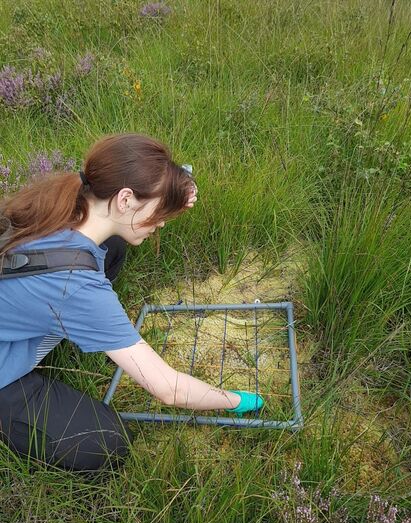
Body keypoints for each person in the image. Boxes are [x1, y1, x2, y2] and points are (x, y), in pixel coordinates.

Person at [0, 133, 264, 473]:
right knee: (106, 443)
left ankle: (50, 331)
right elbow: (168, 389)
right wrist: (236, 401)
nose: (163, 222)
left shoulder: (69, 199)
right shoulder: (76, 287)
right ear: (125, 198)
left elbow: (141, 189)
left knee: (113, 246)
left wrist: (176, 184)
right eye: (160, 211)